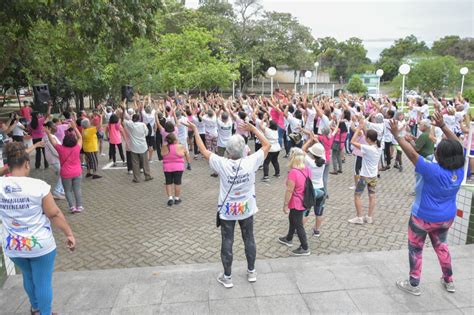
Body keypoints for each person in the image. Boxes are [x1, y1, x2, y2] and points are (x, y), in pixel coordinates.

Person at [391, 112, 464, 296]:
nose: (436, 150)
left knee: (416, 249)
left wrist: (397, 136)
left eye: (438, 149)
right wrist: (444, 127)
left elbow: (413, 155)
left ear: (440, 156)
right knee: (442, 247)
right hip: (446, 218)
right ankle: (449, 281)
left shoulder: (432, 170)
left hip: (422, 217)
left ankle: (414, 283)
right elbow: (457, 147)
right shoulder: (460, 170)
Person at [191, 121, 270, 289]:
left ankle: (227, 276)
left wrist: (196, 130)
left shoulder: (222, 163)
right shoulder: (251, 162)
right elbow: (267, 144)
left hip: (228, 210)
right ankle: (251, 272)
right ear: (244, 150)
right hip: (247, 208)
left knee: (227, 240)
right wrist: (253, 129)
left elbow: (204, 151)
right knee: (249, 239)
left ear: (227, 151)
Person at [0, 142, 76, 315]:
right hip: (39, 245)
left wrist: (6, 169)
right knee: (42, 282)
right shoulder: (38, 185)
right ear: (27, 164)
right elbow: (54, 213)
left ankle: (35, 308)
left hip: (13, 246)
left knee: (28, 276)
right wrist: (69, 234)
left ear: (9, 165)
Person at [278, 147, 312, 256]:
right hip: (303, 199)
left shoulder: (293, 172)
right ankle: (289, 238)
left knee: (298, 223)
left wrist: (285, 205)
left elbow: (289, 190)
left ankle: (305, 247)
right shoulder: (307, 169)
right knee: (292, 218)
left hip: (296, 201)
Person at [46, 122, 84, 213]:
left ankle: (72, 207)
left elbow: (53, 141)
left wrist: (48, 133)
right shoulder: (77, 148)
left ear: (64, 141)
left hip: (66, 173)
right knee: (77, 189)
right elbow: (80, 138)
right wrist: (75, 128)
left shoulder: (61, 149)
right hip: (77, 172)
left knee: (68, 191)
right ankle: (79, 206)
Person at [349, 126, 381, 224]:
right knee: (372, 196)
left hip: (365, 176)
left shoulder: (368, 148)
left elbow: (352, 141)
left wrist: (358, 129)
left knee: (357, 195)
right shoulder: (379, 147)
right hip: (373, 176)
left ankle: (359, 217)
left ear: (368, 139)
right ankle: (369, 217)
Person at [302, 138, 326, 237]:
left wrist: (309, 140)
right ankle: (316, 230)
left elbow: (302, 150)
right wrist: (316, 141)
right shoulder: (323, 162)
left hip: (310, 190)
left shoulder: (310, 162)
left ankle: (298, 228)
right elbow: (322, 150)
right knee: (319, 212)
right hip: (321, 189)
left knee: (306, 211)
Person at [122, 113, 153, 183]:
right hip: (143, 146)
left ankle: (136, 178)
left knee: (135, 163)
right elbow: (147, 133)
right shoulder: (143, 125)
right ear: (139, 119)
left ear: (132, 119)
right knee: (145, 162)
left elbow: (123, 119)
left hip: (134, 147)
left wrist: (124, 110)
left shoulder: (130, 125)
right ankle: (147, 176)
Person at [161, 133, 189, 206]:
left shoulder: (164, 147)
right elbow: (186, 153)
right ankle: (177, 198)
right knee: (177, 182)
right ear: (175, 140)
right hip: (178, 167)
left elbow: (162, 155)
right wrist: (188, 163)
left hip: (167, 167)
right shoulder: (180, 146)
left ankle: (170, 198)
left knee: (168, 182)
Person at [43, 121, 65, 200]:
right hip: (55, 159)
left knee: (62, 174)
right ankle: (57, 191)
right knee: (63, 174)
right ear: (49, 128)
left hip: (55, 159)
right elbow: (54, 150)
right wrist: (62, 156)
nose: (56, 127)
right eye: (53, 126)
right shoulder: (49, 137)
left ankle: (61, 190)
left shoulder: (50, 136)